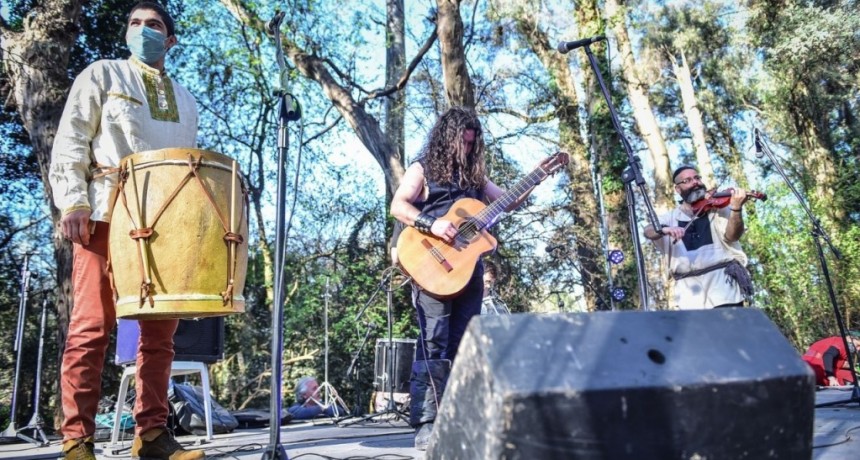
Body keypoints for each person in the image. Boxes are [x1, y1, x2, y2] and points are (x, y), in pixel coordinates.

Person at [49, 3, 202, 459]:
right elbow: (72, 137)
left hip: (163, 227)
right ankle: (77, 440)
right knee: (91, 327)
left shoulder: (187, 99)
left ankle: (152, 436)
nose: (142, 31)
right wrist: (73, 200)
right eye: (135, 23)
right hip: (104, 211)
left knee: (159, 336)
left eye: (153, 25)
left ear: (170, 41)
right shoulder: (102, 75)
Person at [390, 106, 544, 449]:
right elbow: (398, 205)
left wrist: (536, 177)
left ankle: (460, 415)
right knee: (433, 341)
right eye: (463, 141)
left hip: (468, 270)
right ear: (448, 138)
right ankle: (427, 422)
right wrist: (433, 224)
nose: (468, 149)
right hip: (431, 264)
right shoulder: (423, 169)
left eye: (473, 144)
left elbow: (507, 202)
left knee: (464, 341)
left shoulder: (474, 178)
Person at [643, 165, 753, 309]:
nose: (695, 182)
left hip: (724, 287)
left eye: (697, 178)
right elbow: (648, 231)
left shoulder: (718, 209)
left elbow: (733, 236)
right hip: (688, 295)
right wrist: (665, 229)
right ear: (678, 189)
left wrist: (736, 209)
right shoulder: (670, 218)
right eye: (687, 180)